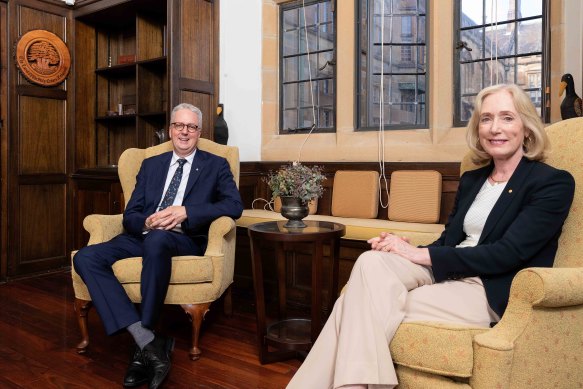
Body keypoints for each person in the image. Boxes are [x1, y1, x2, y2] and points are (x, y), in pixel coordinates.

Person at [286, 84, 576, 389]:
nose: (495, 128)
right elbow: (447, 243)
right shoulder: (472, 180)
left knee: (356, 303)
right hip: (447, 270)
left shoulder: (551, 183)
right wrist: (404, 248)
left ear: (527, 128)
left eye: (507, 118)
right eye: (486, 119)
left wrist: (420, 256)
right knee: (372, 262)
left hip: (489, 286)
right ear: (478, 128)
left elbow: (508, 253)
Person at [73, 103, 244, 389]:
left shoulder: (216, 165)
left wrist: (186, 211)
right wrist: (148, 222)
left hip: (183, 238)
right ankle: (148, 341)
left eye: (191, 127)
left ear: (199, 132)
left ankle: (144, 346)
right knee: (86, 258)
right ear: (170, 129)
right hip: (143, 235)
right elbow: (131, 214)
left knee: (159, 240)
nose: (184, 132)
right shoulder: (151, 165)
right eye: (179, 125)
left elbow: (234, 206)